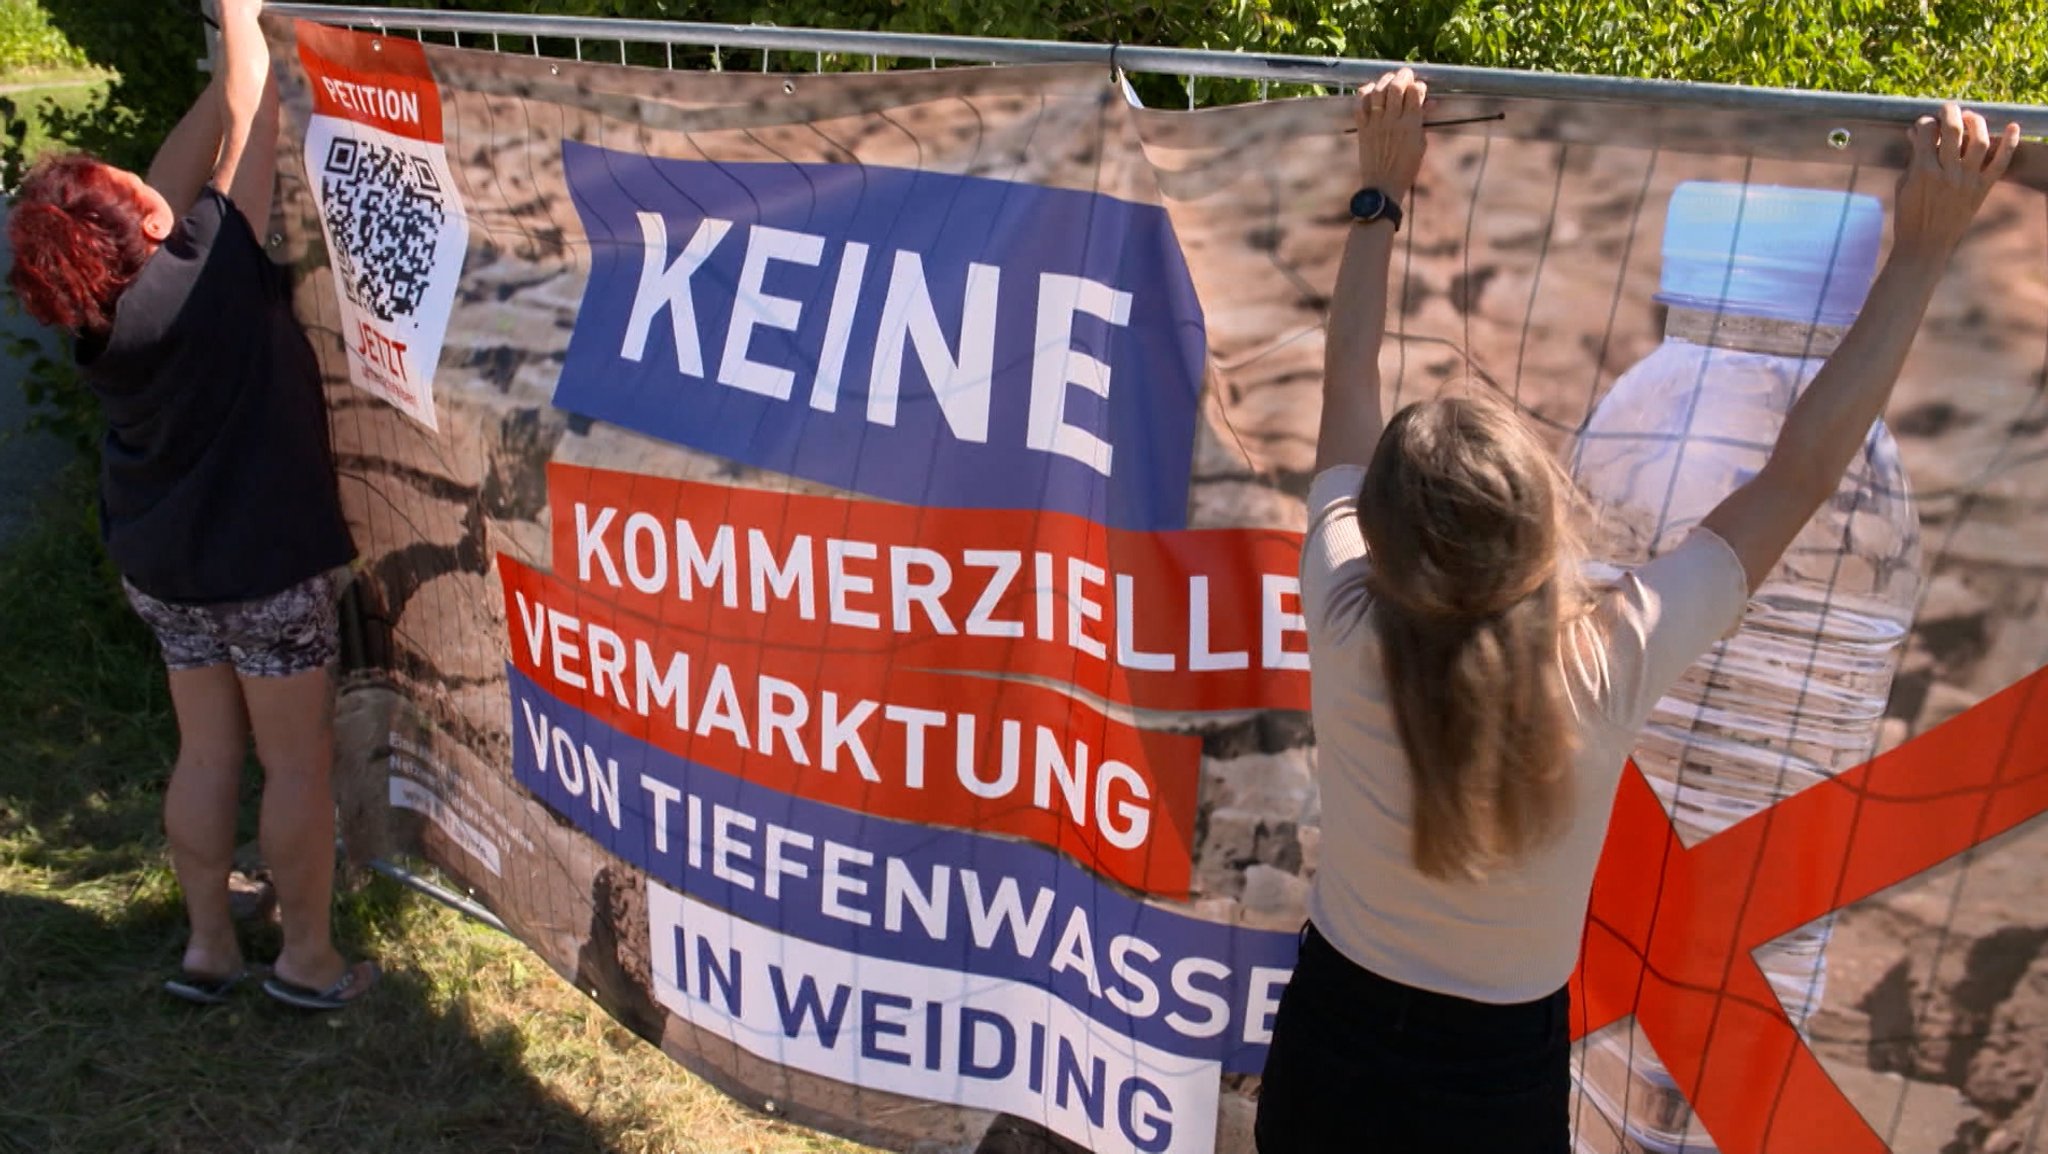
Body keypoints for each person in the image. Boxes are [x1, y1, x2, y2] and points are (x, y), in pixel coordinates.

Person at [1254, 68, 2017, 1151]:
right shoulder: (1597, 665)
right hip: (1495, 1078)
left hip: (1331, 1044)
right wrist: (1928, 246)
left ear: (1377, 534)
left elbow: (1343, 391)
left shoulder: (1343, 617)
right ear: (1539, 533)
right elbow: (1797, 477)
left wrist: (1379, 190)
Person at [6, 0, 375, 1010]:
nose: (144, 179)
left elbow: (200, 141)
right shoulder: (211, 266)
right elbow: (254, 122)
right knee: (292, 762)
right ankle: (307, 960)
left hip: (166, 566)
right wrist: (242, 15)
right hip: (265, 566)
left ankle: (210, 945)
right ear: (142, 227)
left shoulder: (100, 309)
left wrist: (221, 75)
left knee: (207, 748)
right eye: (129, 185)